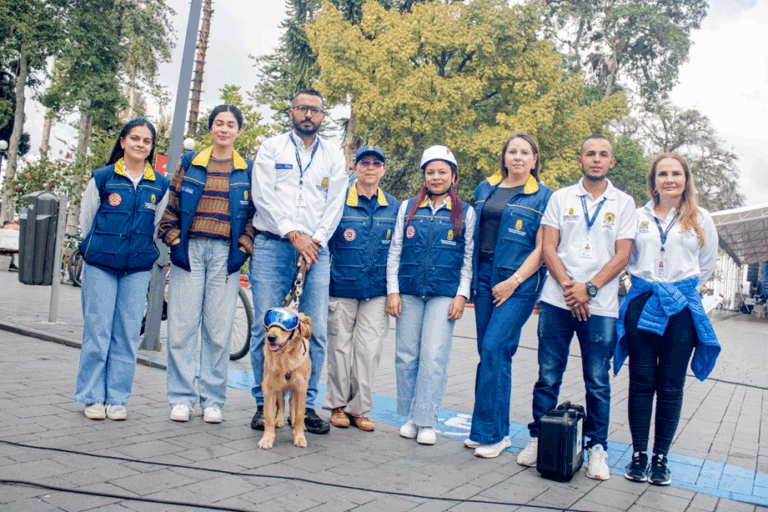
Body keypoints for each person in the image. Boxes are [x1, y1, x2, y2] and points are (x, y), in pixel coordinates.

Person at [516, 134, 637, 480]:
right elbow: (548, 247)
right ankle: (539, 438)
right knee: (547, 375)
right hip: (557, 300)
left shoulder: (624, 202)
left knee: (597, 380)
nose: (596, 159)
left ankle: (597, 447)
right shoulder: (561, 197)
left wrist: (590, 288)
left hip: (601, 306)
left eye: (603, 154)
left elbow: (623, 254)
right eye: (590, 153)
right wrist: (572, 289)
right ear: (579, 160)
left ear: (611, 162)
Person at [616, 153, 720, 486]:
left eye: (676, 173)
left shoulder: (700, 218)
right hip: (643, 301)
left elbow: (707, 263)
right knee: (641, 381)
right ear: (654, 181)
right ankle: (638, 455)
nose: (669, 179)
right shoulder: (637, 216)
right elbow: (627, 255)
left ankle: (660, 458)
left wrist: (681, 290)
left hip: (681, 308)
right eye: (663, 174)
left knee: (671, 385)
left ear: (686, 179)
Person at [249, 88, 348, 435]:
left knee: (313, 329)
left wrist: (314, 240)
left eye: (315, 110)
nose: (308, 114)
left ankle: (304, 408)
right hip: (273, 245)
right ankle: (264, 404)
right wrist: (294, 235)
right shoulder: (271, 148)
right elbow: (263, 196)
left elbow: (335, 203)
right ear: (291, 112)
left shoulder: (333, 155)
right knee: (266, 327)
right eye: (302, 108)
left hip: (316, 250)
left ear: (323, 117)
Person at [159, 105, 256, 424]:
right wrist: (174, 241)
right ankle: (181, 398)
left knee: (218, 331)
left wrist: (243, 248)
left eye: (230, 124)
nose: (224, 129)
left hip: (225, 255)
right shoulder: (191, 163)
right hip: (190, 251)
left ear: (238, 131)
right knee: (182, 328)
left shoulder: (247, 170)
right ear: (211, 128)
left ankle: (213, 400)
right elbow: (171, 207)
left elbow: (255, 215)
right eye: (219, 123)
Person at [75, 118, 170, 421]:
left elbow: (156, 226)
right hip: (100, 265)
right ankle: (92, 396)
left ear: (151, 147)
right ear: (123, 141)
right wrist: (97, 248)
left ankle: (116, 398)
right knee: (98, 331)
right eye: (135, 138)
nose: (140, 145)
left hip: (137, 268)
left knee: (127, 333)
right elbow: (87, 221)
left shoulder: (160, 185)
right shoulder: (103, 178)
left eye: (146, 141)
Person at [465, 133, 553, 458]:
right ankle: (490, 430)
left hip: (518, 282)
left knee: (495, 348)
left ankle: (492, 435)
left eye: (524, 152)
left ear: (534, 159)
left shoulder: (544, 196)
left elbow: (543, 248)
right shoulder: (485, 188)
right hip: (484, 277)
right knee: (489, 354)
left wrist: (514, 281)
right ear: (503, 157)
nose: (518, 157)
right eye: (512, 151)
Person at [386, 145, 475, 446]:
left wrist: (462, 294)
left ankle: (427, 420)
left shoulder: (465, 213)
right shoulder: (408, 208)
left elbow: (468, 258)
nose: (436, 177)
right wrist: (393, 290)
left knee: (433, 356)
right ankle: (412, 416)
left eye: (443, 172)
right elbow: (395, 250)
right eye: (431, 172)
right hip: (409, 291)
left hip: (443, 293)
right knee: (406, 356)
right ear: (424, 176)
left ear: (454, 176)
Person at [321, 145, 399, 432]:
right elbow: (325, 245)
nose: (370, 167)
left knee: (368, 351)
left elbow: (398, 251)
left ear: (383, 170)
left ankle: (360, 408)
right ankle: (337, 406)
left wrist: (394, 291)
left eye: (376, 163)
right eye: (364, 162)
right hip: (342, 287)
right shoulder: (339, 201)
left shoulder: (394, 206)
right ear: (354, 168)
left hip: (377, 292)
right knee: (339, 349)